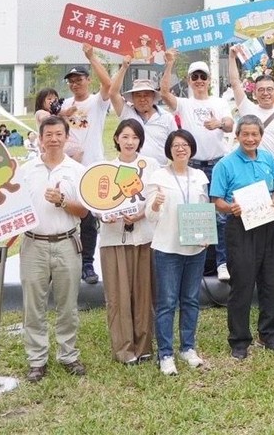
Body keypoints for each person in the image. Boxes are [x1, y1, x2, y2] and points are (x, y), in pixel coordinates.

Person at [15, 115, 87, 382]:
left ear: (67, 137)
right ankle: (37, 360)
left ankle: (68, 355)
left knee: (67, 305)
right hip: (33, 243)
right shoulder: (26, 170)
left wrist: (62, 200)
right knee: (33, 305)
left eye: (59, 134)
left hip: (67, 242)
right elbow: (10, 207)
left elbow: (84, 212)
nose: (54, 139)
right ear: (41, 138)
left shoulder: (77, 170)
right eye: (49, 135)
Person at [210, 114, 274, 359]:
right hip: (239, 228)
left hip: (267, 226)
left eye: (255, 134)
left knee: (272, 282)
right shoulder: (225, 164)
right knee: (242, 285)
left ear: (261, 136)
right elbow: (216, 200)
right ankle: (239, 341)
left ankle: (269, 335)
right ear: (237, 136)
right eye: (246, 134)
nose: (250, 139)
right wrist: (230, 207)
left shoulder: (268, 159)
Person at [161, 50, 235, 281]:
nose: (199, 81)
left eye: (203, 76)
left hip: (217, 164)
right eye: (195, 77)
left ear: (209, 80)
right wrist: (170, 64)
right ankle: (196, 263)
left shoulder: (219, 102)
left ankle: (222, 263)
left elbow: (231, 124)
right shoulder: (184, 103)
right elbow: (164, 92)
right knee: (194, 213)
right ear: (189, 80)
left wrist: (219, 123)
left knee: (220, 215)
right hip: (192, 165)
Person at [144, 129, 210, 375]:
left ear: (191, 148)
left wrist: (207, 234)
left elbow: (204, 208)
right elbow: (150, 216)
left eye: (185, 145)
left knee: (191, 300)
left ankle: (188, 348)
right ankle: (165, 353)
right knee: (167, 302)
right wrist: (155, 204)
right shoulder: (158, 176)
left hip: (195, 248)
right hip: (168, 247)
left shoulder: (200, 176)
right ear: (169, 150)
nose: (181, 149)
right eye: (176, 145)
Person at [98, 119, 155, 364]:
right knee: (118, 295)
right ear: (116, 139)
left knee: (144, 294)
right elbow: (97, 202)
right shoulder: (105, 169)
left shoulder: (151, 165)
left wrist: (142, 213)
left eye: (135, 137)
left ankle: (144, 346)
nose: (130, 142)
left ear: (140, 140)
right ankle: (124, 349)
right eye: (125, 137)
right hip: (114, 239)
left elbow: (156, 198)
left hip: (145, 237)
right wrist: (104, 214)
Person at [61, 45, 114, 286]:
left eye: (79, 79)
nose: (75, 84)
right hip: (69, 167)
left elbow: (108, 85)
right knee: (67, 214)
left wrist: (92, 57)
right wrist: (64, 114)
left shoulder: (96, 102)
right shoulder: (65, 104)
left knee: (89, 219)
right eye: (71, 81)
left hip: (92, 167)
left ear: (88, 80)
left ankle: (87, 264)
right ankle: (66, 264)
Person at [228, 51, 274, 168]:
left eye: (269, 89)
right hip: (249, 169)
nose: (265, 93)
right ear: (254, 93)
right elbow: (235, 84)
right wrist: (232, 57)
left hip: (273, 170)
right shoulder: (247, 108)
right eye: (261, 90)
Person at [109, 55, 176, 161]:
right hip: (131, 168)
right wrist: (124, 67)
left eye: (146, 95)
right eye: (138, 95)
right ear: (132, 98)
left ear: (153, 96)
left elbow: (175, 144)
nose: (142, 99)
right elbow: (113, 93)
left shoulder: (167, 118)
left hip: (158, 168)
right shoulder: (126, 113)